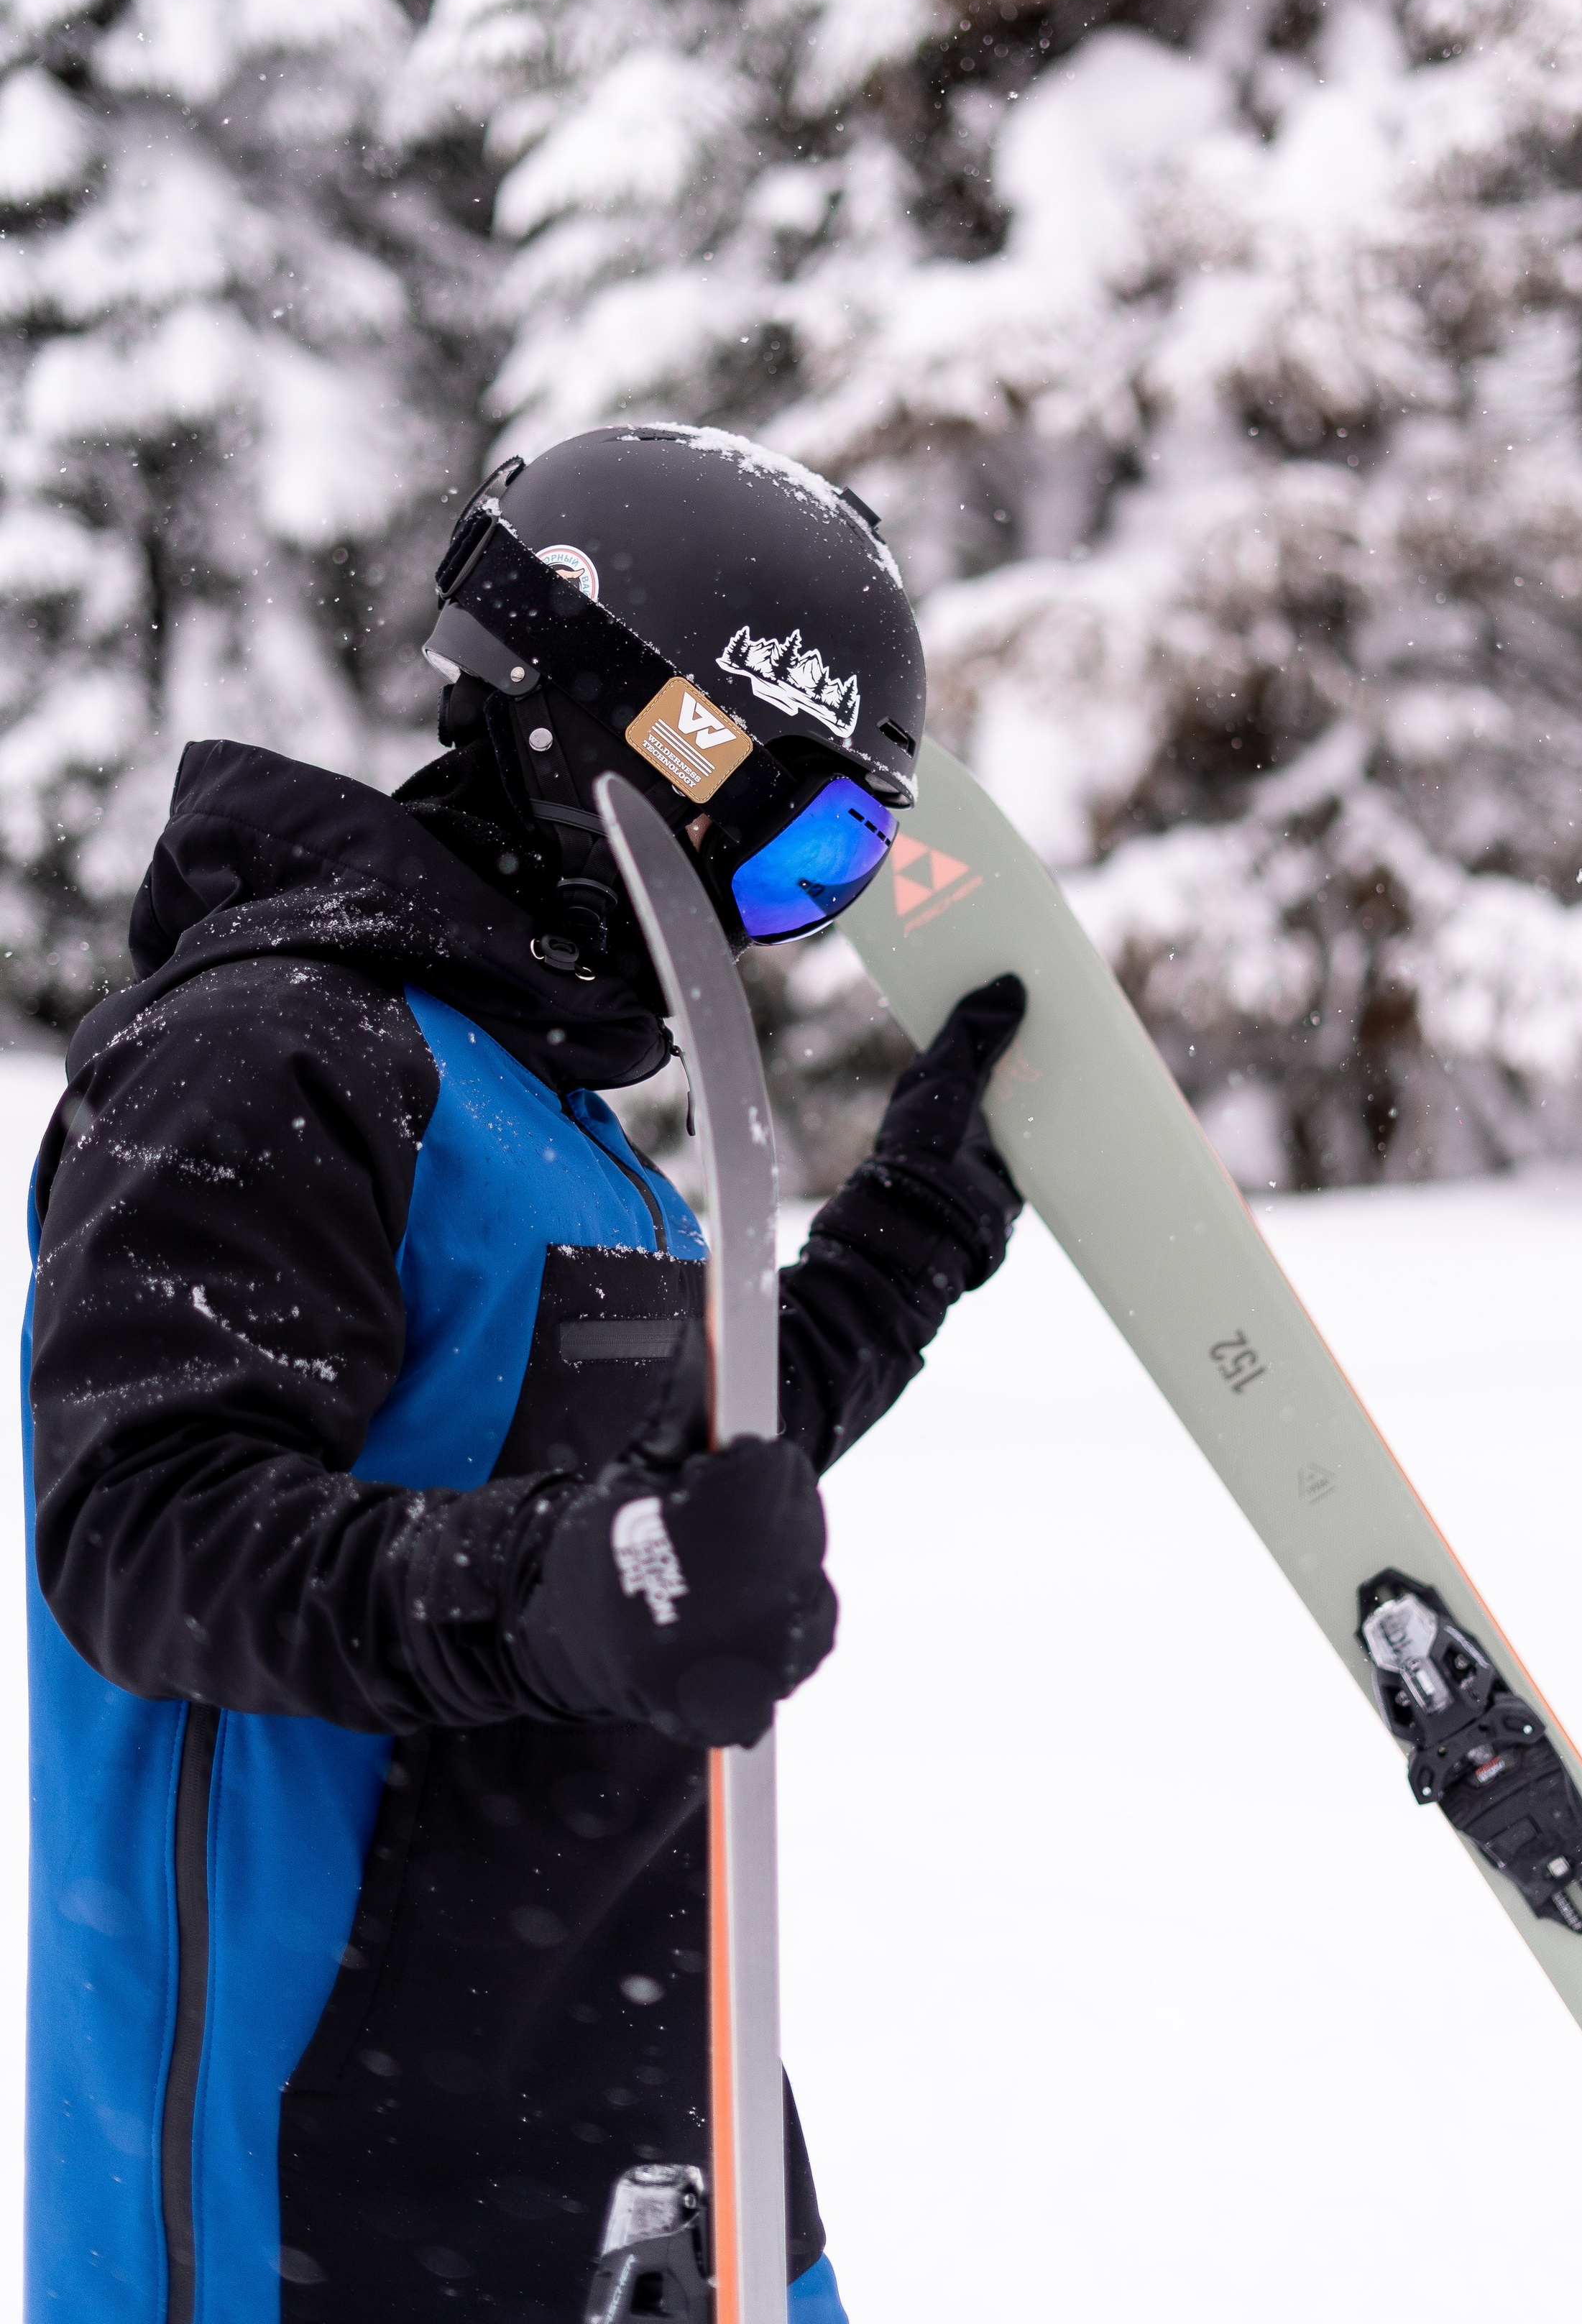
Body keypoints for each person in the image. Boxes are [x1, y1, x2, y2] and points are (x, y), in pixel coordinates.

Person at [22, 424, 1026, 2324]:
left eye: (847, 874)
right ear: (638, 747)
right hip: (330, 2161)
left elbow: (649, 1491)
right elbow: (147, 1533)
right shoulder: (267, 1057)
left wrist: (904, 1245)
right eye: (803, 848)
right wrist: (579, 1588)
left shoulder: (565, 1126)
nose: (787, 925)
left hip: (642, 2080)